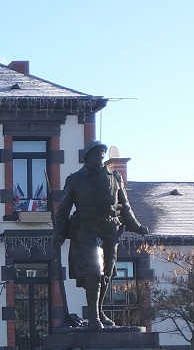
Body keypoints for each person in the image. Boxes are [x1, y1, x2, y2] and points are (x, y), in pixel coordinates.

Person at [53, 140, 148, 330]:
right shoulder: (76, 179)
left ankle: (100, 311)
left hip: (110, 230)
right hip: (86, 231)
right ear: (87, 156)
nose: (100, 155)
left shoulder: (114, 177)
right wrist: (60, 232)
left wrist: (136, 226)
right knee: (95, 272)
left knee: (107, 274)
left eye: (102, 152)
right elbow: (63, 209)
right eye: (96, 152)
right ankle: (93, 317)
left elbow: (125, 206)